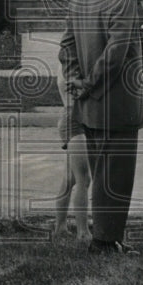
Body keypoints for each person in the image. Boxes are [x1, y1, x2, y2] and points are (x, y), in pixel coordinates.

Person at [58, 0, 143, 255]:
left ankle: (107, 239)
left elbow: (66, 46)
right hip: (118, 104)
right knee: (117, 177)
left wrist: (76, 81)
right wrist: (91, 82)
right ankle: (106, 242)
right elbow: (116, 52)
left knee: (102, 177)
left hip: (90, 106)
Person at [53, 64, 91, 242]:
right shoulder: (69, 64)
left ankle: (60, 227)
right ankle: (83, 233)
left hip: (77, 119)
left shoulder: (69, 60)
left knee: (70, 178)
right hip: (73, 120)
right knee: (83, 177)